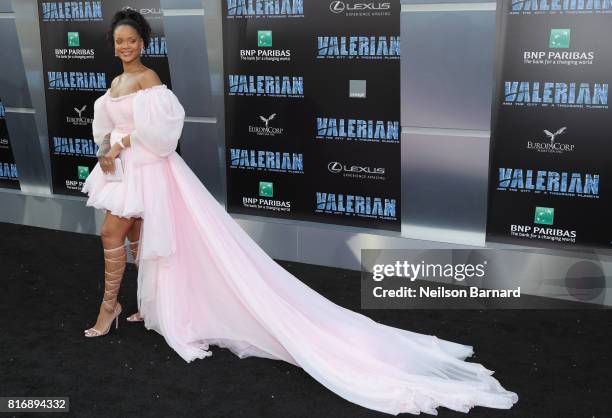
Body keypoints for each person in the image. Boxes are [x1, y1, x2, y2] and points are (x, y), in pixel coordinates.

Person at [81, 7, 518, 415]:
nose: (125, 47)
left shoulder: (149, 80)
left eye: (132, 40)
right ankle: (145, 304)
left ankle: (109, 308)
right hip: (121, 173)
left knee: (113, 234)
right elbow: (105, 128)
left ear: (144, 43)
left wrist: (120, 144)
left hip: (148, 171)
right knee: (138, 233)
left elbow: (160, 134)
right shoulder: (115, 84)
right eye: (119, 41)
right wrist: (105, 149)